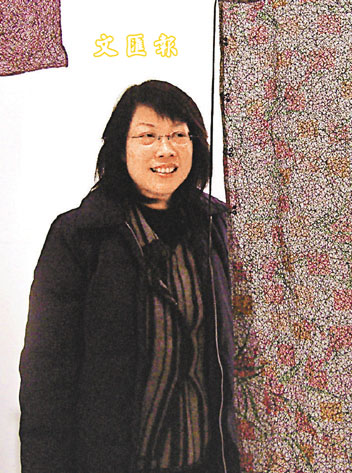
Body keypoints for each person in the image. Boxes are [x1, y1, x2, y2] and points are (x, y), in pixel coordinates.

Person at [19, 80, 240, 473]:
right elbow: (46, 376)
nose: (165, 150)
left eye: (179, 135)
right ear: (120, 147)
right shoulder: (79, 237)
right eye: (147, 136)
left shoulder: (217, 227)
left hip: (206, 460)